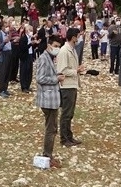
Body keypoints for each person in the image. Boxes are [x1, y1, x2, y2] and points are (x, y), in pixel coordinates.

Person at [35, 35, 64, 167]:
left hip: (51, 99)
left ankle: (48, 154)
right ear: (49, 45)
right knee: (51, 128)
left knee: (52, 127)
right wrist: (55, 79)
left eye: (59, 47)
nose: (57, 49)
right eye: (56, 46)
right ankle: (47, 155)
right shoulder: (44, 59)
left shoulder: (50, 58)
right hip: (48, 99)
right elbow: (40, 78)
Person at [57, 28, 85, 147]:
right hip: (67, 85)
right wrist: (76, 71)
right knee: (66, 113)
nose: (78, 38)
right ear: (73, 37)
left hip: (72, 84)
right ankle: (64, 138)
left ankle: (69, 135)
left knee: (70, 113)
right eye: (77, 36)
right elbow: (62, 70)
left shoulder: (72, 50)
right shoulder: (64, 51)